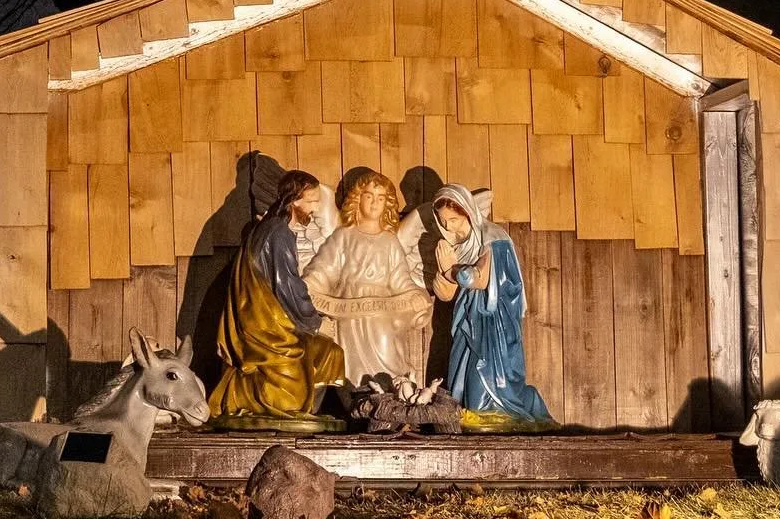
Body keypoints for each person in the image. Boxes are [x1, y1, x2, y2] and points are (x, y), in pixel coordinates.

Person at [209, 168, 346, 424]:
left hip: (274, 321)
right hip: (265, 329)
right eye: (312, 201)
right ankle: (253, 398)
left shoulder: (272, 228)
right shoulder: (278, 233)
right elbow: (288, 288)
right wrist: (316, 323)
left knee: (330, 354)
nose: (316, 208)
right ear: (294, 201)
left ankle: (308, 412)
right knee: (310, 365)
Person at [431, 183, 553, 431]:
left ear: (468, 212)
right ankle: (474, 413)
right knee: (462, 369)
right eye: (443, 221)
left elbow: (477, 279)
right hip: (468, 319)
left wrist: (450, 270)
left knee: (487, 372)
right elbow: (449, 294)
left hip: (494, 319)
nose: (448, 227)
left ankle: (494, 413)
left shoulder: (492, 236)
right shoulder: (460, 245)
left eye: (453, 220)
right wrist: (443, 279)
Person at [304, 167, 433, 386]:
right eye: (369, 196)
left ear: (387, 204)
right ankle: (351, 394)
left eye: (381, 198)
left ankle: (388, 393)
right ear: (358, 199)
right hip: (347, 308)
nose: (374, 203)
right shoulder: (343, 236)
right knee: (347, 359)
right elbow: (324, 271)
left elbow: (401, 280)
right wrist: (308, 288)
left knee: (386, 345)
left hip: (382, 313)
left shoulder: (390, 242)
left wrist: (414, 295)